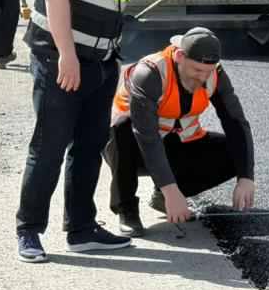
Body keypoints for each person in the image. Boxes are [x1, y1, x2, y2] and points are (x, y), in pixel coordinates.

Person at [14, 0, 177, 263]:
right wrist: (67, 57)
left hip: (101, 63)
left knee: (89, 148)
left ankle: (82, 229)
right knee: (49, 147)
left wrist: (110, 57)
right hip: (61, 60)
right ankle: (29, 231)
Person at [104, 27, 256, 236]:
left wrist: (246, 177)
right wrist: (170, 189)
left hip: (176, 143)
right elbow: (146, 135)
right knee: (122, 127)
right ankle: (127, 210)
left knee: (235, 152)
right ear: (179, 56)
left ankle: (163, 197)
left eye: (208, 71)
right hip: (132, 148)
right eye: (196, 70)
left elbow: (236, 122)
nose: (202, 78)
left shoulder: (215, 74)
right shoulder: (150, 73)